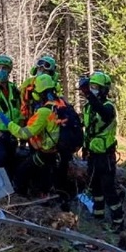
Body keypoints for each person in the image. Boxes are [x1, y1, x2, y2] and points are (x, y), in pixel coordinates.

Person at [14, 71, 81, 205]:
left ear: (39, 93)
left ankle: (30, 198)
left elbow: (25, 133)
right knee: (57, 176)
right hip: (64, 151)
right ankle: (59, 199)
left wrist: (8, 123)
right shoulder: (62, 104)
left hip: (48, 152)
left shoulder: (44, 111)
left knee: (25, 170)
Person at [80, 71, 124, 232]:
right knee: (94, 187)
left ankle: (118, 221)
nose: (93, 90)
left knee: (108, 189)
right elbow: (88, 130)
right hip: (93, 154)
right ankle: (98, 215)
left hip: (106, 157)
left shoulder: (108, 107)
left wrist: (88, 95)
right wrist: (84, 148)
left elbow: (104, 115)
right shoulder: (87, 108)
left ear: (104, 89)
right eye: (91, 87)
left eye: (96, 87)